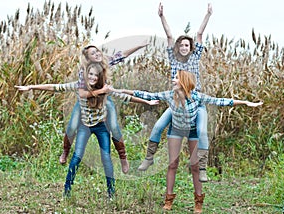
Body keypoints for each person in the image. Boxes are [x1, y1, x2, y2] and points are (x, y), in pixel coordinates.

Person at [115, 70, 263, 212]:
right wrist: (122, 90)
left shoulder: (197, 97)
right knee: (172, 164)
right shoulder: (169, 95)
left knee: (195, 166)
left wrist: (244, 102)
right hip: (176, 130)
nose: (173, 80)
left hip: (192, 131)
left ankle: (198, 201)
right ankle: (168, 199)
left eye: (176, 78)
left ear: (184, 81)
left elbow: (220, 101)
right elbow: (146, 95)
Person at [15, 63, 158, 198]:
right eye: (90, 74)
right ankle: (67, 190)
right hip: (85, 126)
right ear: (86, 75)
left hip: (101, 127)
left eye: (96, 76)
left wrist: (147, 102)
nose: (92, 78)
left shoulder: (105, 90)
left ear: (99, 78)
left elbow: (126, 97)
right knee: (77, 157)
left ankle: (111, 192)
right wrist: (31, 87)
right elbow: (55, 87)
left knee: (106, 158)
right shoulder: (79, 86)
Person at [138, 3, 213, 183]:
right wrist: (161, 17)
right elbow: (169, 35)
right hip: (177, 101)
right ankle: (149, 158)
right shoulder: (173, 59)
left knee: (202, 132)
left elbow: (200, 34)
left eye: (187, 45)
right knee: (157, 127)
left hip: (195, 102)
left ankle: (202, 168)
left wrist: (208, 15)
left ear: (191, 47)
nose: (183, 47)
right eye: (181, 45)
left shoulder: (195, 58)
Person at [61, 42, 149, 175]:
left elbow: (123, 54)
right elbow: (82, 94)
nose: (97, 54)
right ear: (88, 58)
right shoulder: (84, 71)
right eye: (93, 54)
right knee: (72, 125)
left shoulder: (105, 62)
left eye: (97, 51)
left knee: (114, 126)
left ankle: (123, 157)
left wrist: (140, 46)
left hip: (104, 99)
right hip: (86, 101)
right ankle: (65, 151)